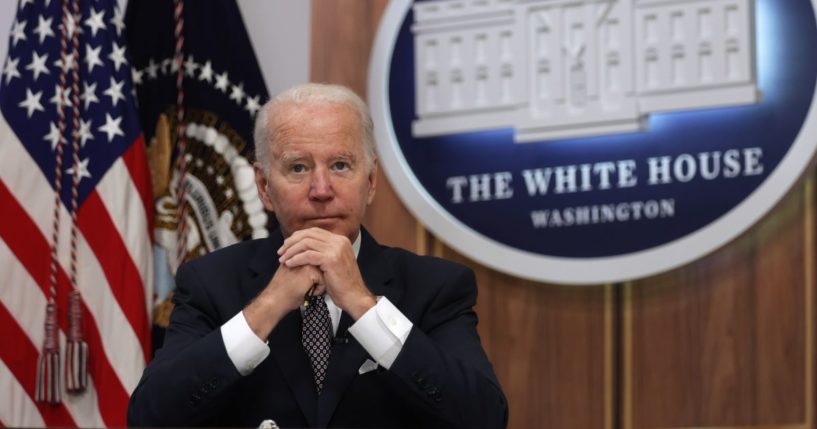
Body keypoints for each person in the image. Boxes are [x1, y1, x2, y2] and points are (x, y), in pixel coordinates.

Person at [127, 83, 508, 428]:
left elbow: (485, 417)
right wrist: (269, 306)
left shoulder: (435, 287)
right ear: (263, 186)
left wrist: (365, 306)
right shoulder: (210, 283)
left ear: (370, 181)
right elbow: (150, 417)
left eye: (340, 165)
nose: (321, 189)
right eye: (298, 167)